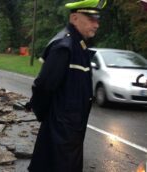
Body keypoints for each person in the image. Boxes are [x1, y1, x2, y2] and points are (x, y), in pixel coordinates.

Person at [27, 0, 106, 171]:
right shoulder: (65, 47)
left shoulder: (80, 46)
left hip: (71, 132)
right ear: (75, 18)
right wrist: (49, 118)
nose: (97, 24)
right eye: (92, 18)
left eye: (98, 19)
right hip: (60, 133)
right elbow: (43, 87)